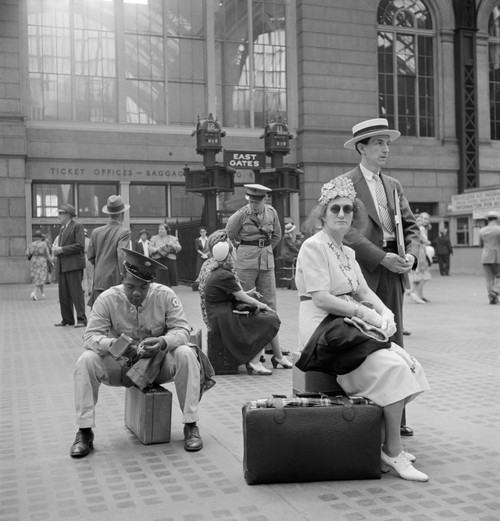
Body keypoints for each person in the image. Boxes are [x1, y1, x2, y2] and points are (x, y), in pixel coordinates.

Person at [295, 177, 430, 482]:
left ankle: (380, 443)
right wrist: (364, 314)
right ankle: (393, 450)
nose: (342, 214)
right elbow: (322, 297)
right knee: (393, 369)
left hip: (348, 324)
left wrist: (385, 314)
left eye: (347, 209)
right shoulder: (313, 246)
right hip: (323, 328)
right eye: (335, 209)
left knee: (410, 365)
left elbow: (365, 292)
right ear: (322, 214)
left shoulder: (348, 252)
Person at [70, 248, 214, 458]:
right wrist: (113, 345)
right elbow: (90, 337)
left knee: (186, 353)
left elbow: (183, 330)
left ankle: (190, 425)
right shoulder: (107, 299)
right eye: (130, 286)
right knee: (86, 360)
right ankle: (84, 432)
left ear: (151, 283)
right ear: (122, 278)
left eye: (143, 287)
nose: (136, 293)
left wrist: (163, 341)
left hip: (157, 366)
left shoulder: (165, 295)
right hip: (120, 367)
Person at [340, 118, 420, 436]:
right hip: (366, 275)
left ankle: (396, 420)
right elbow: (345, 232)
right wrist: (380, 256)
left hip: (395, 272)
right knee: (369, 344)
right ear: (361, 147)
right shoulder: (345, 185)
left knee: (395, 344)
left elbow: (411, 225)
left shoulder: (394, 185)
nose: (385, 149)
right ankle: (368, 418)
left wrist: (411, 252)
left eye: (387, 143)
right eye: (378, 143)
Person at [198, 230, 291, 375]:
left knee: (265, 317)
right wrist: (263, 305)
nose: (236, 251)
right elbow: (240, 296)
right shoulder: (225, 272)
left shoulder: (212, 267)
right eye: (233, 249)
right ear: (228, 253)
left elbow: (229, 293)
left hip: (216, 313)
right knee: (266, 318)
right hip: (223, 317)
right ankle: (258, 360)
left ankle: (270, 358)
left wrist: (248, 295)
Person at [226, 184, 289, 356]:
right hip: (245, 263)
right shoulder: (239, 216)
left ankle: (271, 346)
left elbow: (277, 235)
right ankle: (250, 347)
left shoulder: (272, 213)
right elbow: (229, 236)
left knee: (269, 303)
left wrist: (266, 249)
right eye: (250, 200)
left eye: (256, 200)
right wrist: (243, 251)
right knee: (247, 302)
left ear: (265, 199)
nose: (253, 204)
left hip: (266, 263)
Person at [87, 195, 132, 307]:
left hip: (98, 281)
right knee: (116, 317)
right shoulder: (124, 232)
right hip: (114, 281)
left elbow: (90, 256)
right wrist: (124, 276)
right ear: (122, 214)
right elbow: (122, 255)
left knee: (99, 316)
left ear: (108, 214)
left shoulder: (96, 232)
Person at [52, 204, 87, 328]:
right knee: (63, 294)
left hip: (74, 265)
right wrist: (57, 250)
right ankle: (67, 319)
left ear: (68, 214)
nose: (59, 216)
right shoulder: (62, 228)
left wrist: (61, 249)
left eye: (61, 213)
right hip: (63, 265)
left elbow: (80, 245)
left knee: (76, 293)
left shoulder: (77, 226)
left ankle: (82, 319)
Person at [409, 213, 432, 304]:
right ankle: (417, 294)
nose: (423, 221)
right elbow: (424, 240)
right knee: (424, 275)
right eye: (421, 219)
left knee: (418, 275)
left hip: (416, 252)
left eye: (426, 219)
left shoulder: (417, 228)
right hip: (420, 253)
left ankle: (418, 294)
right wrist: (428, 242)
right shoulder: (421, 228)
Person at [479, 211, 500, 305]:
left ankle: (492, 298)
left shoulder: (481, 230)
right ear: (496, 219)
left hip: (485, 256)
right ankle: (495, 291)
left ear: (488, 219)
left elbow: (480, 244)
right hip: (497, 256)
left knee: (489, 278)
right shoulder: (499, 229)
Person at [26, 229, 51, 301]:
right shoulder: (44, 244)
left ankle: (43, 294)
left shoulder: (31, 244)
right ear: (41, 237)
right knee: (41, 277)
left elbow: (27, 254)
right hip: (42, 261)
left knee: (37, 277)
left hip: (34, 261)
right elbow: (47, 254)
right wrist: (51, 261)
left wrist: (32, 256)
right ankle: (34, 292)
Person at [280, 222, 301, 289]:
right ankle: (289, 284)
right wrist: (298, 251)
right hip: (287, 255)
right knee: (289, 270)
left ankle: (288, 284)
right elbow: (291, 246)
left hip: (285, 254)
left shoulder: (286, 236)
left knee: (287, 270)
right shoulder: (287, 237)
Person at [83, 229, 94, 296]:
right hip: (89, 257)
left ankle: (83, 289)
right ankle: (90, 290)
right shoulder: (90, 240)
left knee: (83, 275)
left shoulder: (80, 241)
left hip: (82, 257)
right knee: (90, 275)